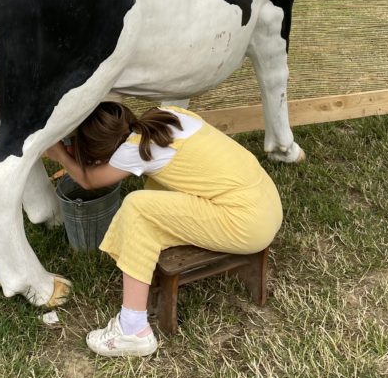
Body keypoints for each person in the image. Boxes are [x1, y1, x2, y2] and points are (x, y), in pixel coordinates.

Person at [46, 102, 283, 359]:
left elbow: (89, 180)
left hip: (247, 224)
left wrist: (61, 155)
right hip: (266, 203)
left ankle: (133, 330)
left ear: (104, 152)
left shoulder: (134, 150)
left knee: (137, 208)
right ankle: (147, 251)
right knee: (153, 192)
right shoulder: (168, 115)